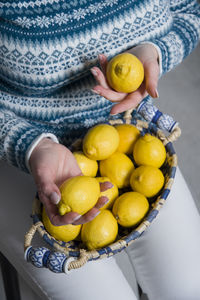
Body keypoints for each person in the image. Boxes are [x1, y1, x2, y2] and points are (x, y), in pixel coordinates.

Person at [0, 0, 200, 299]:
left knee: (188, 288)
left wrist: (154, 51)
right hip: (22, 155)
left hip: (129, 145)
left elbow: (190, 10)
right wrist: (29, 145)